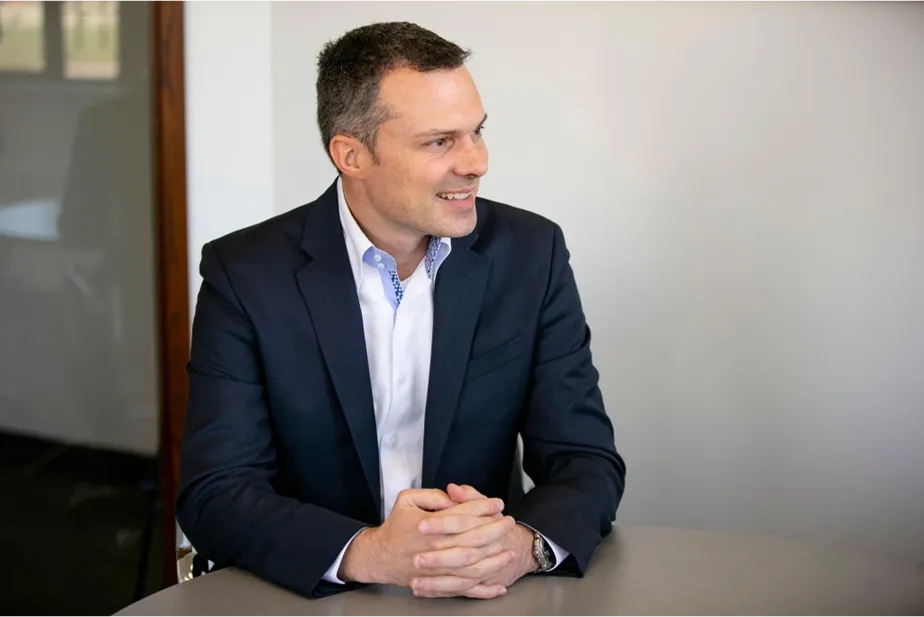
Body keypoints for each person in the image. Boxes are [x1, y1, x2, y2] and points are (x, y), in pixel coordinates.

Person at [176, 21, 626, 600]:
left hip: (482, 596)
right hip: (309, 592)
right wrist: (371, 554)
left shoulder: (531, 254)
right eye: (440, 141)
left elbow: (585, 460)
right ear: (352, 155)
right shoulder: (245, 273)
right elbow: (215, 493)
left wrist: (523, 544)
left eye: (477, 132)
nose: (476, 162)